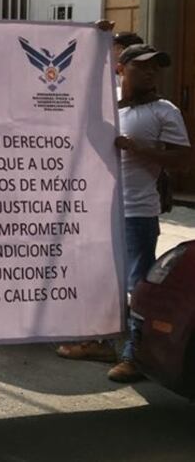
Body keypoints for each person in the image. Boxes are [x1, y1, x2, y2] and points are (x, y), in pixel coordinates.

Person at [105, 44, 190, 382]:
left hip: (137, 212)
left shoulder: (163, 111)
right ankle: (100, 340)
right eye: (142, 66)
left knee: (137, 285)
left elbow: (183, 160)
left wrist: (140, 149)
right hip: (100, 211)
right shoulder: (107, 101)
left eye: (156, 67)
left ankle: (134, 357)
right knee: (104, 282)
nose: (151, 73)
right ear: (121, 68)